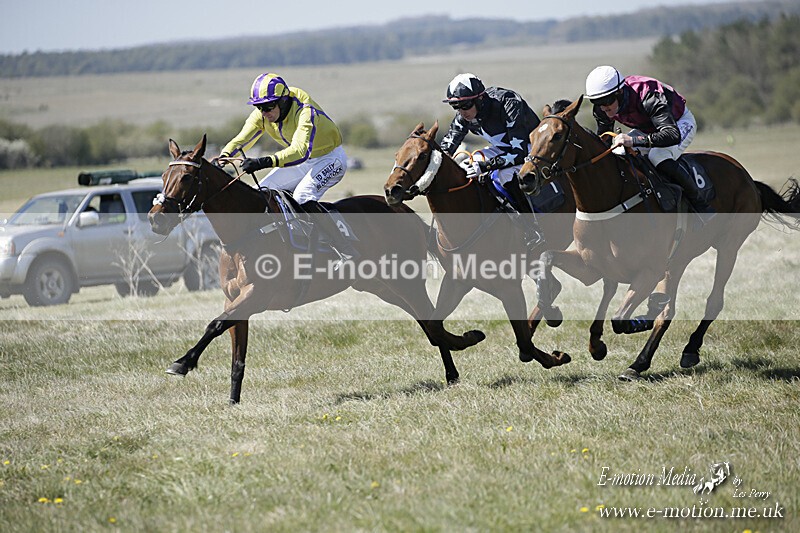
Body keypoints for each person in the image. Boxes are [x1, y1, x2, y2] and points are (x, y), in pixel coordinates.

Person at [216, 72, 356, 262]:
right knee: (261, 193)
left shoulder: (306, 112)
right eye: (259, 107)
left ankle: (345, 249)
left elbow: (299, 151)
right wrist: (224, 156)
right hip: (302, 162)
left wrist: (262, 162)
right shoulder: (263, 113)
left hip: (329, 159)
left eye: (268, 107)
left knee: (303, 197)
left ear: (283, 101)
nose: (264, 112)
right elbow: (242, 139)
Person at [585, 65, 715, 222]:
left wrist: (632, 140)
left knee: (658, 155)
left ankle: (701, 206)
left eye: (607, 101)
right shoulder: (602, 108)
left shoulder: (647, 94)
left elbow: (671, 135)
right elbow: (603, 140)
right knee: (618, 154)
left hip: (678, 123)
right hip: (647, 128)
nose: (603, 107)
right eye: (596, 102)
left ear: (619, 92)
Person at [440, 73, 544, 247]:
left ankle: (532, 228)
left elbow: (518, 152)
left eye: (465, 105)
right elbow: (445, 149)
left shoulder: (508, 102)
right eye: (455, 106)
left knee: (502, 175)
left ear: (480, 99)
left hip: (532, 147)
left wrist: (487, 166)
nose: (462, 111)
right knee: (468, 164)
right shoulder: (464, 116)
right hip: (505, 149)